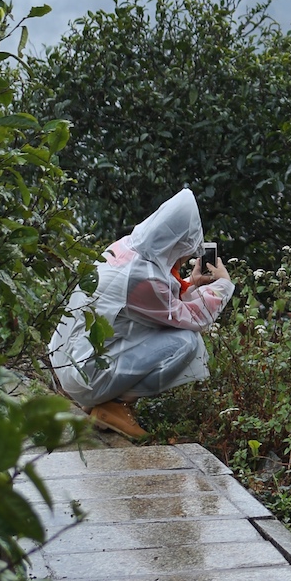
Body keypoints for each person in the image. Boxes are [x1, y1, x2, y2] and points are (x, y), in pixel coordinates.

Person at [49, 187, 234, 439]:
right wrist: (222, 285)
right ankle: (115, 405)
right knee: (186, 342)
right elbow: (192, 318)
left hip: (70, 363)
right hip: (84, 375)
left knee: (162, 330)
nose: (181, 260)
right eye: (182, 252)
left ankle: (98, 399)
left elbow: (155, 308)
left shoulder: (127, 247)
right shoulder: (142, 276)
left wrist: (191, 283)